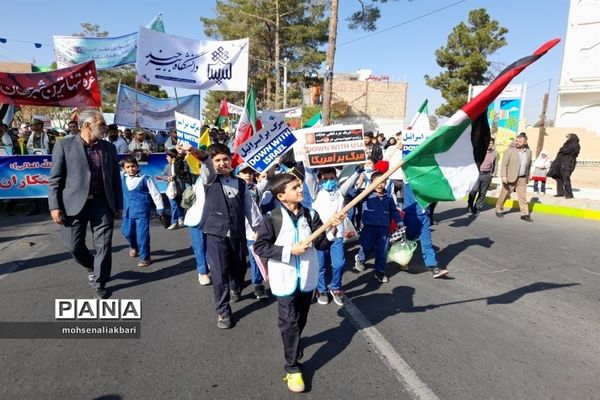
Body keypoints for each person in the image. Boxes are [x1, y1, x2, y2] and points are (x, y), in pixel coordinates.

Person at [253, 173, 345, 393]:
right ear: (281, 195)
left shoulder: (311, 214)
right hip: (284, 279)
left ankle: (293, 343)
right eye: (295, 187)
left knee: (300, 319)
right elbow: (260, 247)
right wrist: (288, 251)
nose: (300, 189)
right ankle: (292, 367)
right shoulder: (272, 218)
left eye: (299, 185)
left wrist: (332, 228)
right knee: (289, 322)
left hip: (306, 277)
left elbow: (321, 244)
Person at [47, 109, 122, 299]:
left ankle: (99, 281)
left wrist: (118, 204)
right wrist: (54, 206)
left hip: (102, 202)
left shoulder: (108, 148)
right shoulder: (64, 145)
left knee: (104, 245)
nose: (105, 128)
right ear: (88, 125)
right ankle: (92, 264)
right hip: (73, 205)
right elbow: (55, 179)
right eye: (101, 125)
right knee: (74, 246)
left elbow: (115, 179)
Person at [186, 143, 262, 329]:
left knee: (239, 267)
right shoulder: (209, 179)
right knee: (219, 273)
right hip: (215, 233)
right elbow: (206, 167)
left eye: (225, 159)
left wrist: (259, 230)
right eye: (217, 160)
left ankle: (236, 286)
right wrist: (195, 152)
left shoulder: (241, 183)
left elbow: (250, 209)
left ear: (231, 160)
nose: (222, 163)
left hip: (237, 233)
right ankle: (223, 311)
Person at [306, 166, 359, 306]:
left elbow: (351, 180)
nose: (329, 181)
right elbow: (309, 177)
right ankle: (321, 289)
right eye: (325, 179)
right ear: (320, 179)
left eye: (332, 178)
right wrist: (306, 162)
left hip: (338, 234)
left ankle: (336, 287)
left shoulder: (339, 191)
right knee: (321, 265)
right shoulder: (316, 191)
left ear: (336, 178)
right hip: (321, 235)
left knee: (339, 263)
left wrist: (358, 170)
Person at [354, 170, 403, 283]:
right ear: (371, 183)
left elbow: (394, 211)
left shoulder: (389, 197)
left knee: (382, 251)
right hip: (368, 227)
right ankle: (360, 259)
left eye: (383, 182)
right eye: (377, 182)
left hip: (383, 228)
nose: (380, 185)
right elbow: (354, 195)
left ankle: (380, 272)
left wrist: (399, 221)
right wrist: (360, 182)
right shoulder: (366, 195)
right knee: (367, 246)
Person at [120, 156, 165, 267]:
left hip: (142, 211)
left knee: (142, 235)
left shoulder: (146, 178)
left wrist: (160, 209)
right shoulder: (122, 178)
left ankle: (145, 257)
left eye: (133, 166)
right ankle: (134, 246)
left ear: (137, 166)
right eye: (128, 167)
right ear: (124, 169)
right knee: (127, 232)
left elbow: (156, 194)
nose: (131, 169)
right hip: (127, 211)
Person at [236, 163, 268, 300]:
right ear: (237, 175)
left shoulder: (256, 188)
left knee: (256, 258)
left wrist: (273, 164)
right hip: (235, 230)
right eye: (244, 172)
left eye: (250, 172)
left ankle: (258, 285)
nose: (248, 175)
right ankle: (235, 285)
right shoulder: (231, 189)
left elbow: (267, 179)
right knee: (236, 259)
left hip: (252, 231)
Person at [403, 183, 448, 278]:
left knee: (427, 242)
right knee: (409, 240)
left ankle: (433, 267)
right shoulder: (409, 182)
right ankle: (402, 261)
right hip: (412, 216)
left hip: (425, 216)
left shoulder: (428, 184)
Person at [495, 133, 533, 222]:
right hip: (510, 177)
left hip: (522, 178)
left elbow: (529, 165)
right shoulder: (509, 151)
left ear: (525, 142)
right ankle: (498, 209)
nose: (517, 142)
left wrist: (529, 175)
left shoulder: (529, 152)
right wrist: (503, 175)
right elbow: (504, 164)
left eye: (520, 141)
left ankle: (525, 214)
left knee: (522, 196)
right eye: (517, 140)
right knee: (504, 194)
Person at [467, 138, 497, 214]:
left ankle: (476, 207)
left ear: (493, 144)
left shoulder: (495, 153)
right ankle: (470, 205)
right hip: (477, 174)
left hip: (487, 175)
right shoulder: (479, 151)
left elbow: (496, 164)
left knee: (482, 193)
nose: (489, 144)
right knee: (474, 190)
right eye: (488, 143)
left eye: (491, 143)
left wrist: (493, 174)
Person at [161, 149, 186, 229]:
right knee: (174, 205)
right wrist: (167, 178)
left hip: (180, 188)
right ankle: (174, 222)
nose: (166, 158)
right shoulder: (167, 166)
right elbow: (163, 176)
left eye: (168, 157)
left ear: (173, 158)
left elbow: (185, 175)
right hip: (171, 190)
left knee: (180, 204)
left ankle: (181, 218)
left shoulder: (181, 165)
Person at [552, 133, 580, 199]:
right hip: (562, 163)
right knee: (559, 178)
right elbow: (562, 150)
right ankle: (560, 193)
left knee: (566, 178)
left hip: (569, 164)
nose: (567, 139)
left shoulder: (576, 145)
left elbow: (567, 151)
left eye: (568, 137)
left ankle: (569, 195)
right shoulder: (567, 144)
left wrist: (563, 150)